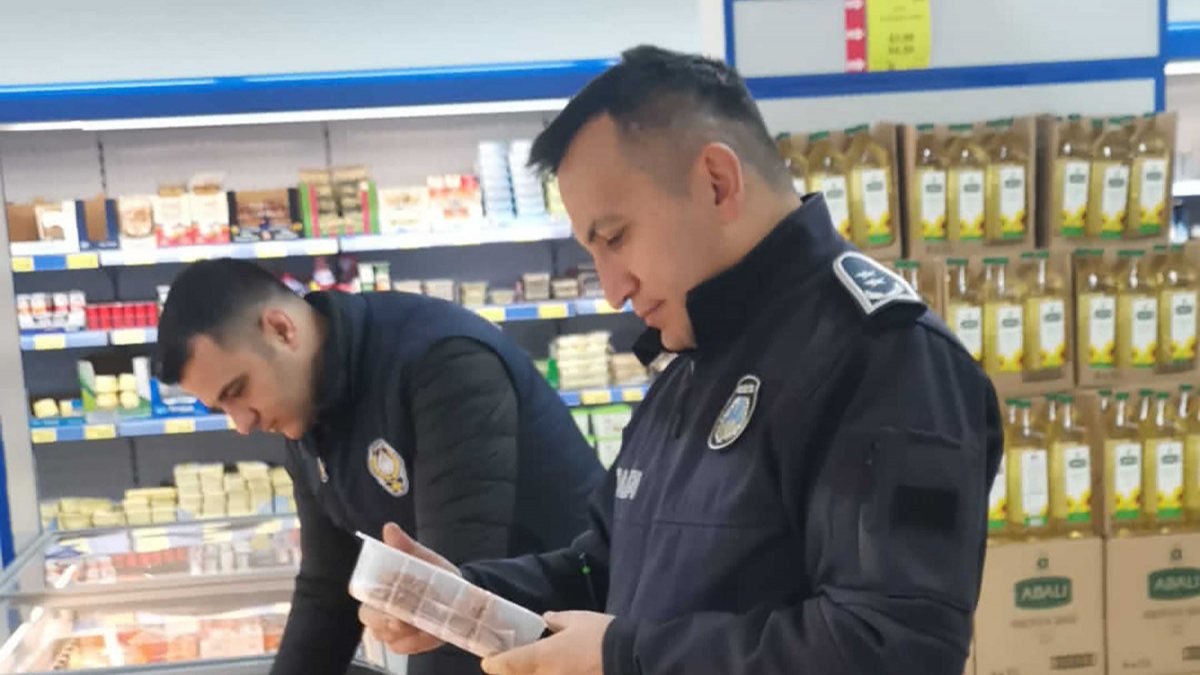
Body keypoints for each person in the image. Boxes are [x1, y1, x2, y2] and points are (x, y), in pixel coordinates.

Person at [359, 45, 1003, 675]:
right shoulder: (692, 362)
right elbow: (604, 567)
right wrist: (468, 597)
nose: (612, 288)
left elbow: (890, 647)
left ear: (717, 183)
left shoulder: (885, 358)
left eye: (615, 238)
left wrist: (626, 657)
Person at [154, 258, 605, 675]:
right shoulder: (304, 408)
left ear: (281, 330)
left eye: (237, 391)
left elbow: (453, 601)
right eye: (222, 408)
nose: (242, 423)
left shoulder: (444, 362)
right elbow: (328, 586)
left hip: (580, 641)